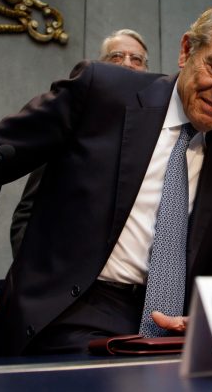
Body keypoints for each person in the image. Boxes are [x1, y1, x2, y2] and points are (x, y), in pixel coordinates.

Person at [0, 1, 212, 354]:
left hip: (175, 331)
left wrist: (211, 316)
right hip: (75, 308)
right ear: (187, 50)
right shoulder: (102, 91)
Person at [9, 29, 150, 259]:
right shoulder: (71, 122)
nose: (127, 64)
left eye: (137, 59)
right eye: (116, 56)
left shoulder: (157, 132)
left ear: (146, 71)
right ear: (99, 66)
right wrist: (31, 268)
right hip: (59, 274)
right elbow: (28, 210)